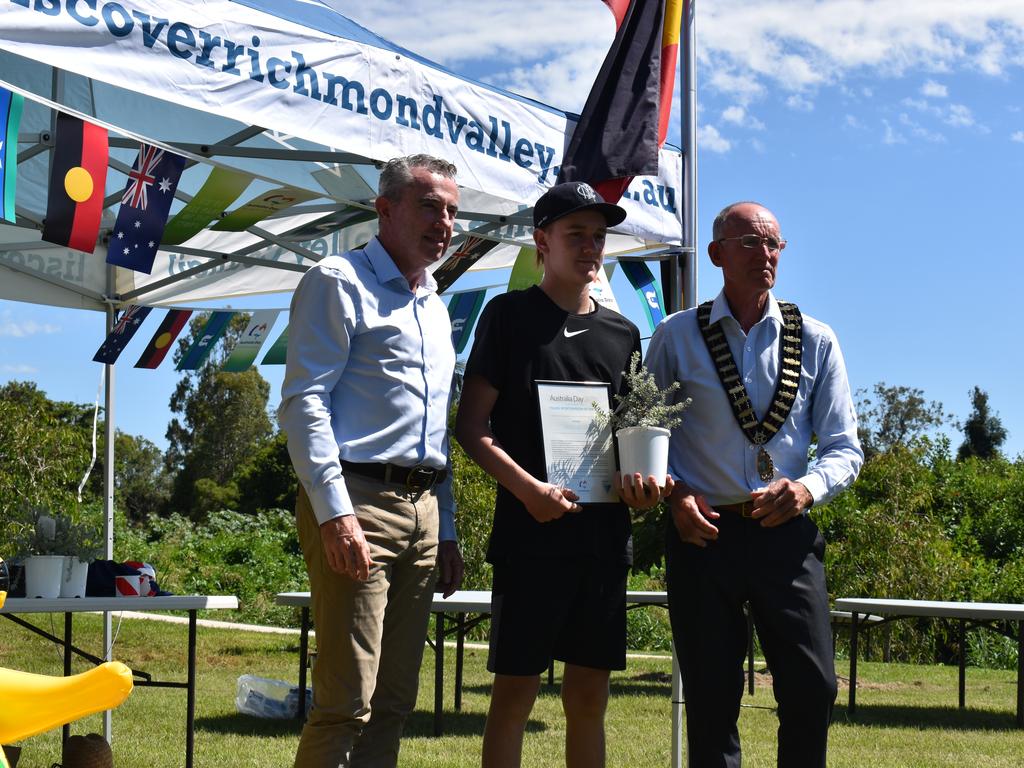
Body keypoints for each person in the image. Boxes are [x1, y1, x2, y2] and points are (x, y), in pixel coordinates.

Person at [456, 181, 672, 768]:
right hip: (530, 539)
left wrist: (644, 485)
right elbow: (472, 429)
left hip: (602, 543)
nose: (589, 247)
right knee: (513, 696)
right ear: (541, 242)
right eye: (575, 234)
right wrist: (530, 494)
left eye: (598, 236)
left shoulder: (624, 334)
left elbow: (635, 443)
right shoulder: (507, 316)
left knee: (588, 700)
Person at [646, 201, 863, 767]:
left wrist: (808, 488)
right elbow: (646, 434)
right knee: (712, 699)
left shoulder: (814, 339)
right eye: (750, 242)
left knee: (813, 686)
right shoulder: (675, 336)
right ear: (716, 254)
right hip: (705, 533)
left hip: (785, 533)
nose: (765, 254)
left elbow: (844, 448)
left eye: (774, 244)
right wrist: (674, 493)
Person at [279, 154, 465, 768]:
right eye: (429, 206)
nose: (444, 222)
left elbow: (436, 428)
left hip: (425, 512)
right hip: (357, 501)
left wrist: (450, 530)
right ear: (384, 210)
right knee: (346, 701)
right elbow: (304, 402)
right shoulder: (338, 280)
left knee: (394, 702)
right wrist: (335, 515)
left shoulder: (434, 306)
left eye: (452, 211)